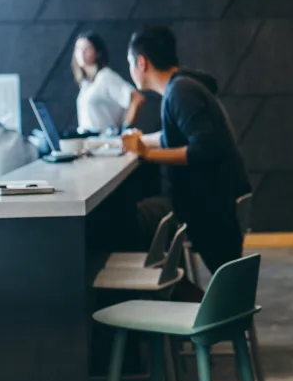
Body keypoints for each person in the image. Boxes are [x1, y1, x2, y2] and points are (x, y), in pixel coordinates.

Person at [121, 25, 250, 295]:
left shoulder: (181, 93)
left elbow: (204, 149)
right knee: (143, 219)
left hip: (207, 205)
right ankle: (182, 297)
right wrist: (142, 141)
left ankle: (181, 300)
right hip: (211, 202)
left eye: (130, 63)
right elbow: (176, 135)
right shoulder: (182, 86)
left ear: (141, 63)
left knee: (127, 224)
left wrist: (145, 154)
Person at [72, 31, 145, 133]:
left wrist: (125, 129)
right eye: (78, 48)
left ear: (98, 52)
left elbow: (137, 98)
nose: (82, 52)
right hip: (88, 142)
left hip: (105, 143)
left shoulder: (105, 76)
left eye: (87, 48)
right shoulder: (86, 84)